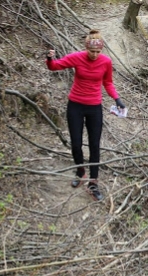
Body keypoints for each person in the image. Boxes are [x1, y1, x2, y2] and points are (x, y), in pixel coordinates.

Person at [46, 29, 125, 201]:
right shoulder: (77, 57)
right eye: (92, 51)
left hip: (94, 108)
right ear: (86, 48)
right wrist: (50, 58)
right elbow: (54, 66)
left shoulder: (105, 62)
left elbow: (108, 82)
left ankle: (93, 183)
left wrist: (117, 99)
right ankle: (80, 171)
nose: (95, 55)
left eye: (98, 51)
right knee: (76, 144)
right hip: (75, 105)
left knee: (94, 146)